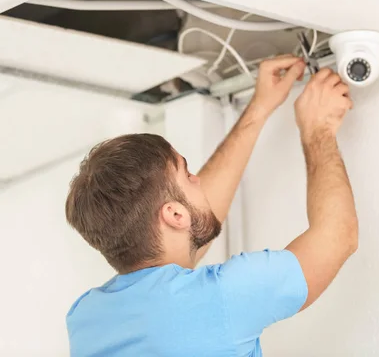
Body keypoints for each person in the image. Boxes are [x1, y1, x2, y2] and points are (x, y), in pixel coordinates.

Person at [65, 55, 358, 357]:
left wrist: (259, 107)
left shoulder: (86, 319)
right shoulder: (223, 296)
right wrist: (318, 128)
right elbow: (338, 236)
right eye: (188, 174)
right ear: (175, 215)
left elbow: (180, 259)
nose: (200, 181)